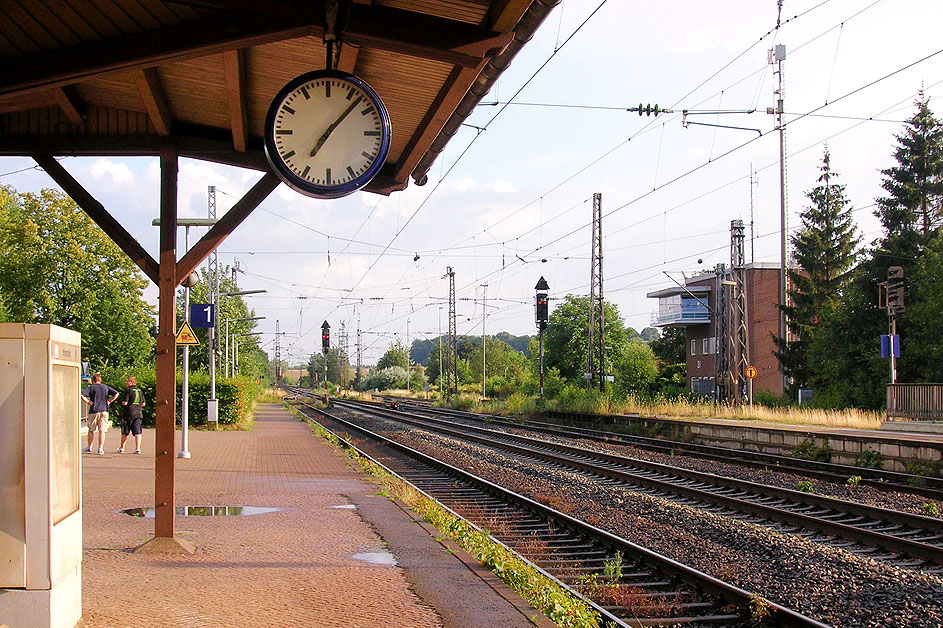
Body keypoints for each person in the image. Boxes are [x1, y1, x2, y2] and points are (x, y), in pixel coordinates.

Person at [81, 373, 119, 455]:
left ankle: (89, 447)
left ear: (93, 380)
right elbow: (116, 393)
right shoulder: (105, 387)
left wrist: (88, 402)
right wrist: (109, 401)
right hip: (104, 410)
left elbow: (82, 394)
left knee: (91, 430)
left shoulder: (91, 387)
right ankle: (100, 448)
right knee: (102, 430)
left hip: (94, 410)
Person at [117, 376, 146, 454]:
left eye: (127, 381)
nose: (126, 383)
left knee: (125, 432)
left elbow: (125, 403)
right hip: (138, 414)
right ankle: (137, 448)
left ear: (131, 382)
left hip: (129, 413)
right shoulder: (140, 391)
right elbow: (143, 404)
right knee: (138, 432)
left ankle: (122, 448)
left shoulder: (128, 390)